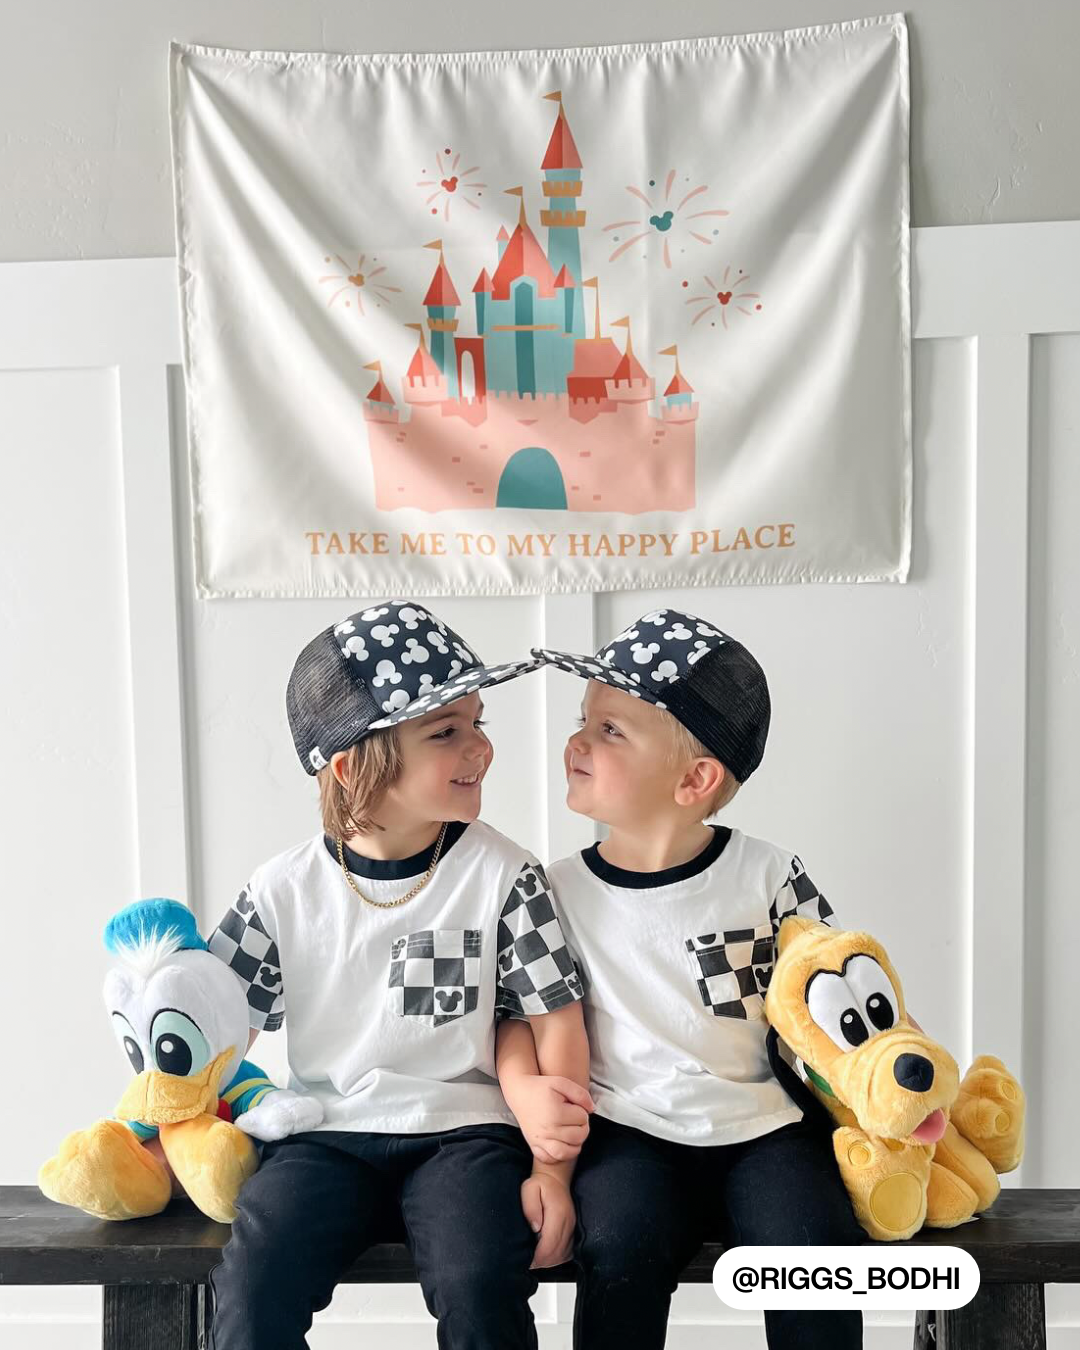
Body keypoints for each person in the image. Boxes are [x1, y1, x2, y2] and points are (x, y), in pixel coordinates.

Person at [206, 601, 590, 1350]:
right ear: (352, 765)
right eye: (445, 732)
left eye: (478, 722)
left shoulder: (505, 873)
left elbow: (556, 1023)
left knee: (481, 1282)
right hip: (325, 1132)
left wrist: (554, 1173)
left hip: (465, 1134)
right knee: (253, 1284)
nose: (480, 748)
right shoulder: (281, 889)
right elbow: (214, 1034)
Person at [498, 607, 864, 1349]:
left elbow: (839, 991)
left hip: (764, 1129)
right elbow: (516, 1016)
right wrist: (523, 1089)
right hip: (629, 1132)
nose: (577, 742)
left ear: (696, 778)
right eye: (582, 721)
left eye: (611, 730)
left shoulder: (767, 875)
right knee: (618, 1248)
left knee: (816, 1249)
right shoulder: (552, 891)